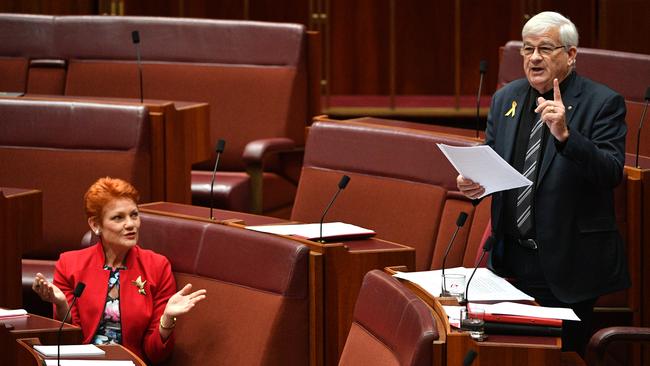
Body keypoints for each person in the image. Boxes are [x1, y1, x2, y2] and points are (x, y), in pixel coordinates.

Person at [456, 11, 629, 355]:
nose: (534, 57)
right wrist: (475, 184)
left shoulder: (602, 103)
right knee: (511, 355)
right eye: (527, 49)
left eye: (546, 48)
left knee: (557, 357)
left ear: (571, 54)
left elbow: (610, 173)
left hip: (567, 264)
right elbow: (493, 162)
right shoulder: (507, 98)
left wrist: (566, 136)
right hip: (510, 262)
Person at [32, 177, 207, 364]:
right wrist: (61, 305)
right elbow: (69, 344)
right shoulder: (70, 264)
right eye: (118, 217)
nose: (131, 224)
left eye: (134, 215)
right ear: (95, 225)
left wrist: (167, 319)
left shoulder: (157, 267)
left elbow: (155, 355)